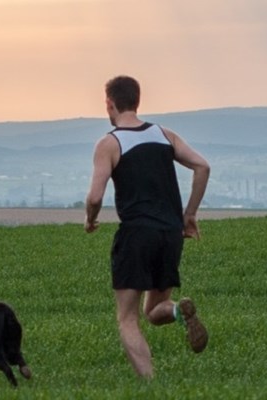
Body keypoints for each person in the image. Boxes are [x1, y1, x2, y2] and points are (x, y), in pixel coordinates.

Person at [84, 75, 211, 378]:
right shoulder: (164, 134)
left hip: (137, 234)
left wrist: (90, 218)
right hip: (170, 233)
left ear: (110, 104)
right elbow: (203, 166)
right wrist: (189, 214)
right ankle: (181, 311)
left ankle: (151, 386)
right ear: (137, 100)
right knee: (155, 310)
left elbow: (95, 195)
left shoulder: (109, 143)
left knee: (127, 319)